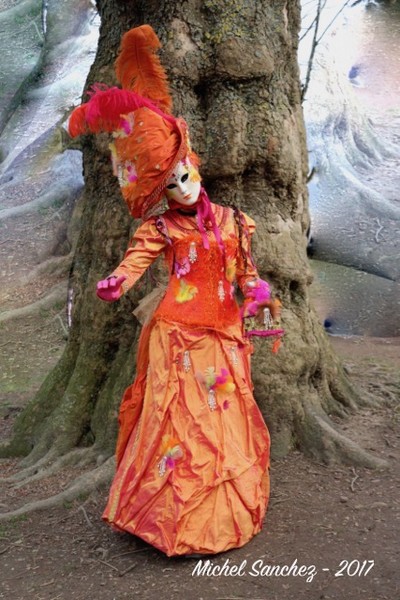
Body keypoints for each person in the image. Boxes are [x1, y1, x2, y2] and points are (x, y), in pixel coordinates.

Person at [68, 25, 282, 557]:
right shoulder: (162, 228)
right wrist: (117, 281)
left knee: (221, 420)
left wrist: (255, 293)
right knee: (176, 420)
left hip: (224, 335)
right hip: (176, 335)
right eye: (170, 184)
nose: (184, 187)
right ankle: (168, 517)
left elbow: (246, 273)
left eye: (185, 175)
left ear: (192, 162)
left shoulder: (235, 222)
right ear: (157, 189)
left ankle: (216, 514)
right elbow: (135, 262)